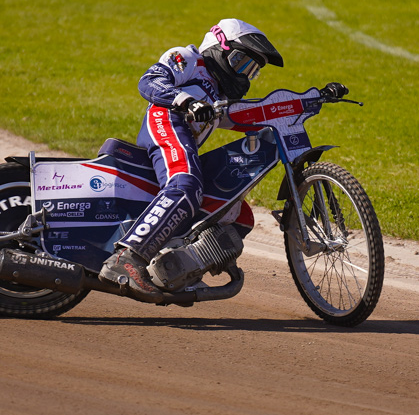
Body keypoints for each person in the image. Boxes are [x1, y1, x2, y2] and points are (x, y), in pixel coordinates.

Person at [98, 19, 284, 296]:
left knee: (238, 214)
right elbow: (148, 82)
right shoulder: (187, 58)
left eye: (252, 70)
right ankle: (126, 259)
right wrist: (185, 100)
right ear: (218, 46)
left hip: (183, 136)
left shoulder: (220, 96)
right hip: (166, 119)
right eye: (240, 62)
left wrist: (310, 101)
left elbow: (254, 115)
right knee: (185, 185)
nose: (244, 74)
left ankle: (182, 267)